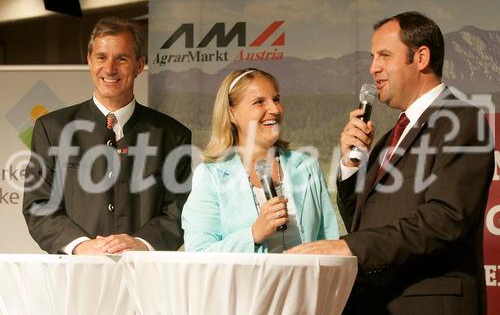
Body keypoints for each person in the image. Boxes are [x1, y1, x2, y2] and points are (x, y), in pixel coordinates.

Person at [288, 11, 494, 314]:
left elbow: (445, 219)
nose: (373, 68)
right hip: (377, 303)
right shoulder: (388, 139)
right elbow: (362, 221)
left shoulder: (462, 121)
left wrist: (349, 247)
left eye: (384, 55)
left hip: (427, 304)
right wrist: (352, 165)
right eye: (373, 57)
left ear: (421, 57)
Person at [22, 17, 191, 255]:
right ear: (90, 61)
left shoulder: (173, 135)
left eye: (121, 58)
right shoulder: (52, 129)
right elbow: (38, 205)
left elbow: (179, 210)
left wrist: (140, 243)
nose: (109, 69)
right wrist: (81, 245)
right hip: (77, 277)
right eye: (101, 57)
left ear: (139, 65)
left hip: (145, 279)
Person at [181, 68, 339, 252]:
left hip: (303, 281)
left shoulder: (307, 166)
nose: (274, 109)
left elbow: (329, 242)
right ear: (231, 114)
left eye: (276, 99)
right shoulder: (211, 177)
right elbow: (199, 254)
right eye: (259, 102)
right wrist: (253, 235)